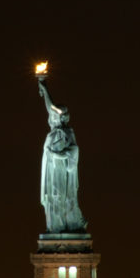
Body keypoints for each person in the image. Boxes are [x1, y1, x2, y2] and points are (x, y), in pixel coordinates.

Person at [38, 78, 87, 233]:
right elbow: (50, 108)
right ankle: (55, 226)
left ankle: (68, 224)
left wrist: (57, 154)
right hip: (52, 173)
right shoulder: (53, 134)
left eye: (56, 115)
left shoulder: (66, 132)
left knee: (62, 197)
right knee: (53, 197)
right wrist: (44, 89)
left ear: (63, 117)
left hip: (63, 174)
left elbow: (73, 150)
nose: (52, 117)